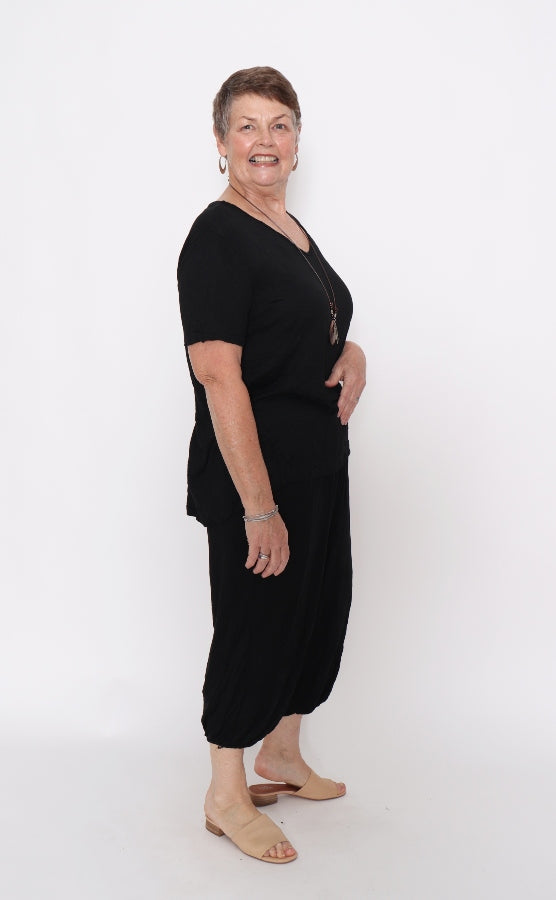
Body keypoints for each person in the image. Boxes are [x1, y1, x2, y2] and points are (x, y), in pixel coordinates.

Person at [177, 66, 366, 864]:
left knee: (316, 612)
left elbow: (308, 325)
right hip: (256, 476)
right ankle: (225, 793)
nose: (265, 141)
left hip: (318, 461)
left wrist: (353, 352)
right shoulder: (218, 237)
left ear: (297, 140)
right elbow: (220, 376)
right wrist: (260, 507)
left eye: (279, 124)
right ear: (221, 142)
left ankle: (281, 753)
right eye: (247, 125)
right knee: (254, 625)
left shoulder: (287, 227)